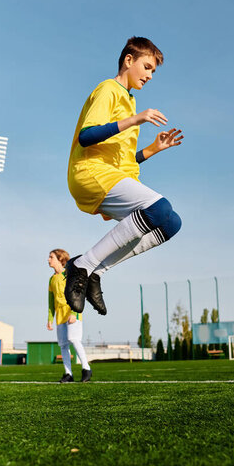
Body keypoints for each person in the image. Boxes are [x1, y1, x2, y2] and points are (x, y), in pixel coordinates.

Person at [65, 36, 183, 314]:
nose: (150, 75)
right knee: (159, 207)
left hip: (109, 175)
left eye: (153, 71)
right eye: (147, 67)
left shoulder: (129, 103)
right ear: (128, 61)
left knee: (170, 223)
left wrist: (152, 149)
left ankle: (95, 271)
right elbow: (86, 136)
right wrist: (135, 119)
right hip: (89, 172)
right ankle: (82, 265)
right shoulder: (108, 89)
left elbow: (123, 161)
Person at [47, 249, 92, 383]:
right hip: (60, 315)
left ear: (60, 259)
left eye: (51, 257)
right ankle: (68, 374)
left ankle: (86, 368)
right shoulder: (51, 279)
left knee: (74, 339)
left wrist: (74, 313)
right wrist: (50, 318)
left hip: (72, 312)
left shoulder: (70, 274)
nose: (48, 259)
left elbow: (78, 293)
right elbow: (50, 300)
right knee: (63, 345)